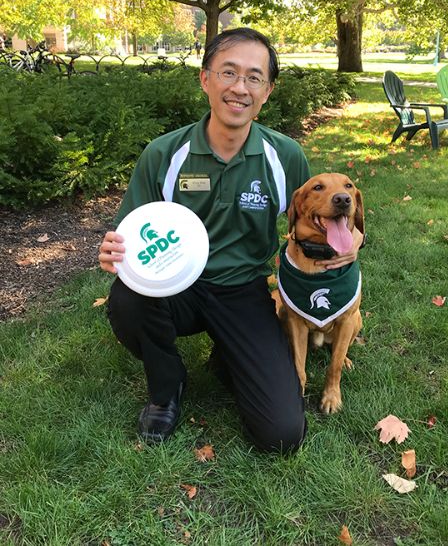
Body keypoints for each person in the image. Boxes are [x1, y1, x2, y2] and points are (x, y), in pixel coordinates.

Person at [98, 27, 362, 452]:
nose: (240, 88)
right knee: (128, 300)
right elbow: (128, 234)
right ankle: (167, 389)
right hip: (175, 283)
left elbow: (315, 213)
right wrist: (114, 252)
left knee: (281, 434)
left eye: (254, 77)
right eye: (228, 73)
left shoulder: (285, 156)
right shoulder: (165, 154)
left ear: (268, 91)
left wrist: (341, 245)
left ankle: (229, 356)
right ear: (205, 79)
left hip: (244, 292)